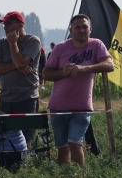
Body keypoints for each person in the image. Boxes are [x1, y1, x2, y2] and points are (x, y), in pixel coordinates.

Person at [42, 14, 114, 166]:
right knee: (62, 148)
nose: (82, 30)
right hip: (58, 106)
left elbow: (110, 65)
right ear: (71, 30)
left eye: (85, 27)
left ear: (90, 29)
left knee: (75, 142)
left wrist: (83, 68)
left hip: (82, 107)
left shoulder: (96, 45)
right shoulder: (61, 48)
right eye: (78, 27)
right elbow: (46, 73)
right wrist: (63, 72)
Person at [0, 11, 41, 148]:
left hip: (26, 97)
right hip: (6, 97)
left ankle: (25, 165)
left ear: (20, 25)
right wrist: (17, 66)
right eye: (4, 25)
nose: (5, 28)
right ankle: (9, 163)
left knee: (26, 137)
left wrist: (13, 44)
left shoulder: (33, 41)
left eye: (8, 24)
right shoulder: (2, 42)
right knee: (6, 135)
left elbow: (20, 62)